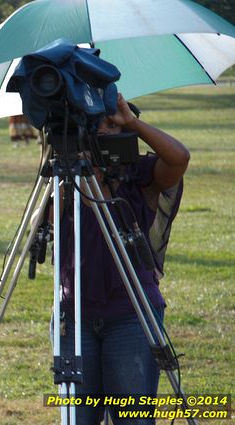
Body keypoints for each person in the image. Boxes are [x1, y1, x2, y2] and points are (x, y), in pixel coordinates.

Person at [56, 93, 190, 424]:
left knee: (132, 417)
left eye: (110, 126)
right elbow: (43, 230)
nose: (101, 133)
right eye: (93, 125)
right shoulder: (67, 179)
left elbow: (179, 158)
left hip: (132, 312)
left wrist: (131, 122)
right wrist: (66, 173)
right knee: (78, 418)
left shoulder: (140, 174)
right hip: (77, 314)